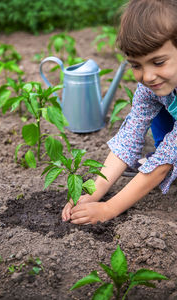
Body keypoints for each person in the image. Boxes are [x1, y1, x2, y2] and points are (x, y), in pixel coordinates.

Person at [62, 0, 177, 225]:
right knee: (156, 108)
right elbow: (128, 140)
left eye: (158, 62)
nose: (147, 76)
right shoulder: (149, 87)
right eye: (136, 65)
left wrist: (108, 208)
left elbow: (164, 161)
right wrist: (93, 193)